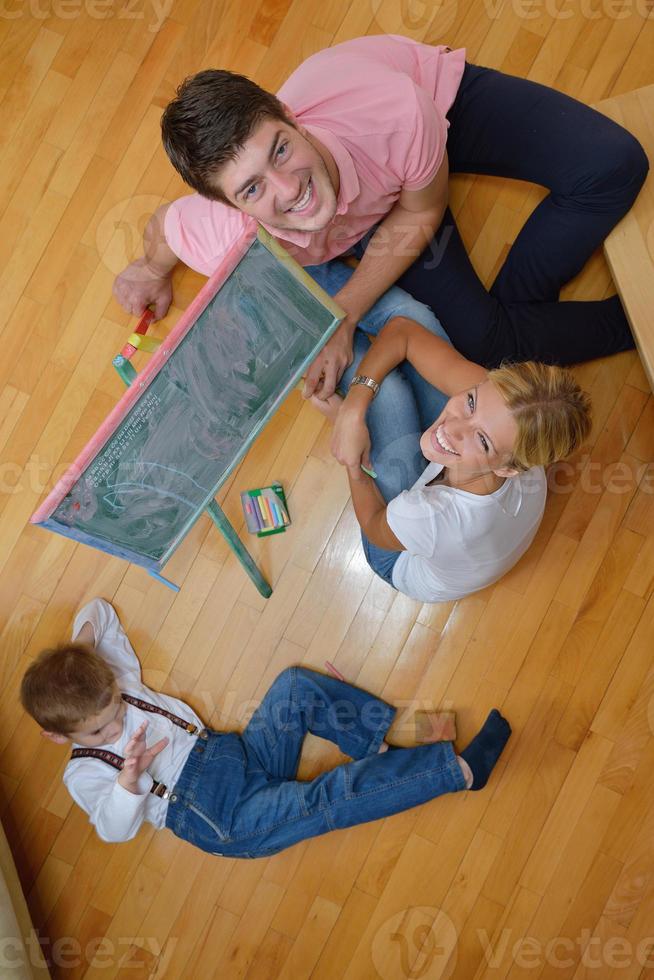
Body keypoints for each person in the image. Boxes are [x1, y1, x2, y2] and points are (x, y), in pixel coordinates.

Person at [113, 34, 648, 401]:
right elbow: (167, 224)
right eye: (252, 188)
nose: (290, 187)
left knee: (614, 164)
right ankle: (637, 321)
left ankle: (514, 321)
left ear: (290, 116)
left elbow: (423, 206)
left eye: (280, 149)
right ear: (230, 206)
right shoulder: (227, 233)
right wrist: (149, 268)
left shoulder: (394, 109)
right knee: (489, 344)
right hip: (383, 208)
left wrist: (345, 312)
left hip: (428, 110)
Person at [20, 599, 511, 857]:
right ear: (59, 736)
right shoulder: (83, 773)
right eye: (100, 732)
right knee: (326, 797)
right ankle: (460, 772)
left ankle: (376, 747)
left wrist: (76, 656)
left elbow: (98, 612)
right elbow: (111, 829)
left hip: (236, 755)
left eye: (115, 711)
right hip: (220, 817)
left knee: (295, 686)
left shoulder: (112, 679)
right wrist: (128, 782)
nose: (117, 726)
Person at [315, 317, 592, 603]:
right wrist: (353, 409)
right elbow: (402, 330)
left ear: (509, 469)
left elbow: (374, 527)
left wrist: (352, 457)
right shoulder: (514, 425)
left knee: (390, 393)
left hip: (401, 556)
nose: (452, 428)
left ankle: (325, 324)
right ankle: (338, 318)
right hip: (464, 505)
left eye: (483, 440)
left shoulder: (429, 517)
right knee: (412, 315)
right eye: (471, 401)